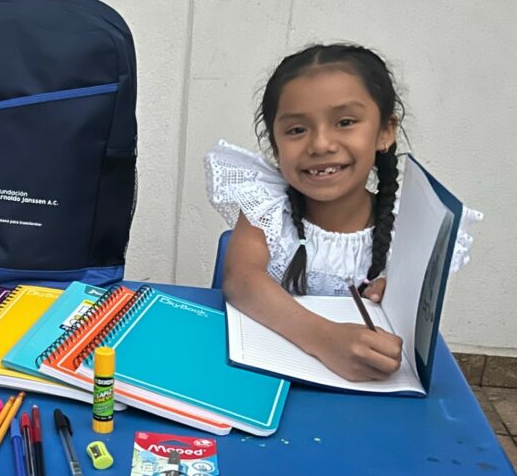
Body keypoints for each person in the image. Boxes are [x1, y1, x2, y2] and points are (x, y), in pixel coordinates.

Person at [205, 43, 479, 382]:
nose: (321, 144)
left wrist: (399, 297)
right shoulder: (266, 203)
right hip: (266, 382)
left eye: (345, 122)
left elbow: (414, 332)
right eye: (296, 130)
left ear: (384, 132)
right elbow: (242, 281)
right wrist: (324, 339)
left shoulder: (409, 228)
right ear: (276, 147)